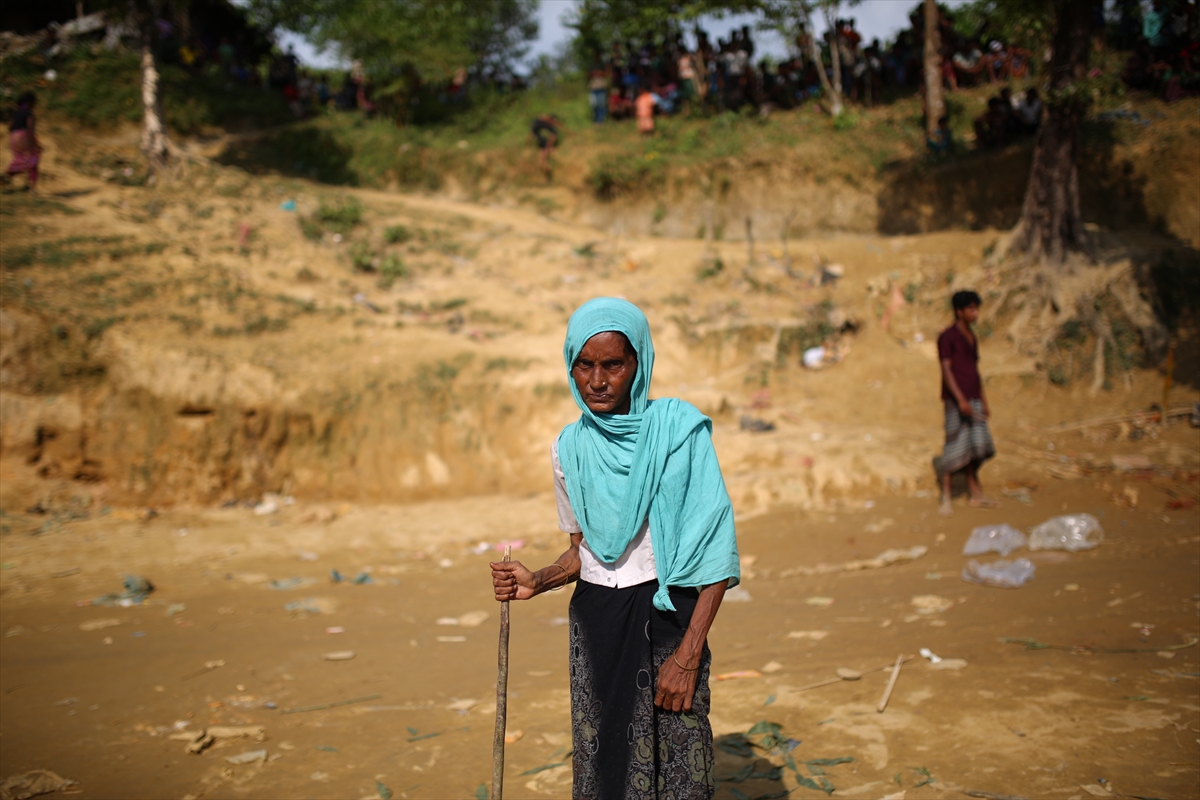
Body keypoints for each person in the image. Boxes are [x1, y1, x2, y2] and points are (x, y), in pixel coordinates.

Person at [490, 298, 739, 800]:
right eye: (585, 365)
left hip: (670, 618)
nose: (598, 380)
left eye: (613, 364)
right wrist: (537, 580)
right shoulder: (569, 448)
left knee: (679, 767)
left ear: (638, 365)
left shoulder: (677, 432)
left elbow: (716, 551)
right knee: (605, 762)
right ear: (570, 366)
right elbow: (583, 551)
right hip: (597, 620)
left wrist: (688, 655)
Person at [937, 291, 998, 516]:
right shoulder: (948, 337)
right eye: (971, 309)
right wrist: (960, 399)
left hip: (973, 397)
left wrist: (983, 400)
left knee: (976, 446)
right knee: (954, 445)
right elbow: (946, 370)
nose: (975, 313)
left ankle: (976, 493)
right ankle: (946, 497)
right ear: (959, 311)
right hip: (956, 401)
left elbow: (975, 371)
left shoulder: (971, 337)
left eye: (976, 308)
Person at [6, 92, 41, 191]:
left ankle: (6, 176)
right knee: (34, 159)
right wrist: (36, 144)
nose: (35, 105)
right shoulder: (29, 114)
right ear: (29, 102)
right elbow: (30, 130)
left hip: (14, 138)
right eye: (34, 103)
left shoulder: (16, 112)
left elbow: (10, 127)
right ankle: (32, 187)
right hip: (24, 137)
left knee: (19, 160)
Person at [530, 114, 561, 178]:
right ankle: (548, 172)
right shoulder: (542, 125)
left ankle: (549, 172)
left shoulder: (542, 125)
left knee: (542, 160)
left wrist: (549, 146)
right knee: (542, 161)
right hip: (544, 145)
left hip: (545, 145)